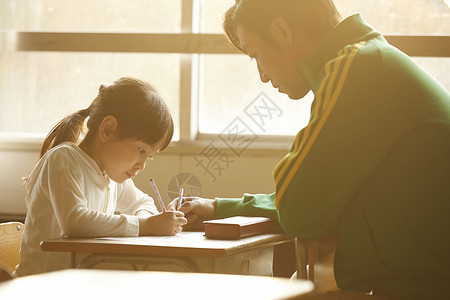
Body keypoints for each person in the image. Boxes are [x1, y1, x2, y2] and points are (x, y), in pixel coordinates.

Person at [171, 1, 450, 299]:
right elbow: (315, 198)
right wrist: (220, 208)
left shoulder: (357, 67)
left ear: (281, 30)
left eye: (255, 54)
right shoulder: (371, 58)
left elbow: (299, 210)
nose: (262, 76)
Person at [14, 77, 187, 276]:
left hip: (78, 285)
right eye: (140, 150)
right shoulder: (63, 159)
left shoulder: (110, 176)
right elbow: (75, 222)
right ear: (107, 130)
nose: (142, 165)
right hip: (39, 289)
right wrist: (146, 226)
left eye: (150, 157)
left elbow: (143, 203)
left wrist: (152, 221)